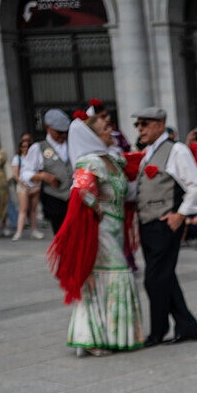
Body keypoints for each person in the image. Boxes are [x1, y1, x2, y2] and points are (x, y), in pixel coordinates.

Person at [47, 114, 144, 356]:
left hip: (115, 229)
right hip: (102, 232)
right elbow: (79, 189)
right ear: (92, 135)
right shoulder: (90, 162)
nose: (110, 130)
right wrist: (96, 207)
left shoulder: (111, 158)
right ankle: (90, 337)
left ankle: (108, 336)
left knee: (109, 277)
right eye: (104, 128)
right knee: (117, 274)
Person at [129, 106, 197, 347]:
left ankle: (158, 331)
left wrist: (181, 215)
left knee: (154, 280)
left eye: (144, 124)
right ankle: (187, 327)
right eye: (138, 125)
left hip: (165, 224)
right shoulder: (147, 153)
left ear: (160, 125)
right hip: (148, 224)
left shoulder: (176, 150)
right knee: (164, 277)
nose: (140, 129)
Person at [21, 110, 72, 235]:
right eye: (59, 132)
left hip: (74, 197)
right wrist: (41, 176)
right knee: (62, 236)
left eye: (65, 132)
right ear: (48, 128)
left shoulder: (72, 144)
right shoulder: (39, 148)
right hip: (55, 199)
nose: (62, 136)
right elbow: (25, 173)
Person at [12, 134, 43, 240]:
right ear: (20, 147)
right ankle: (19, 232)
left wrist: (38, 186)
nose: (25, 149)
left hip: (34, 184)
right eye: (23, 146)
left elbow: (39, 171)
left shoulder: (35, 158)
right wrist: (24, 186)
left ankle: (34, 230)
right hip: (23, 186)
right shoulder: (17, 158)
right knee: (23, 209)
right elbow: (16, 175)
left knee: (33, 210)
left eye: (27, 146)